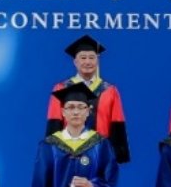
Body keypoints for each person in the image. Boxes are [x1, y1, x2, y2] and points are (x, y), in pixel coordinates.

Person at [45, 35, 131, 165]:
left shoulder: (110, 91)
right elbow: (54, 124)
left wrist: (118, 154)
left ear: (97, 61)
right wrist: (52, 155)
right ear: (75, 62)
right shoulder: (61, 88)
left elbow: (117, 125)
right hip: (68, 155)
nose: (88, 62)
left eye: (92, 57)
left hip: (101, 155)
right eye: (83, 58)